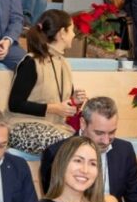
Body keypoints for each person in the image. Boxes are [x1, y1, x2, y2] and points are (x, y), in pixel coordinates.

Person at [6, 10, 86, 155]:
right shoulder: (31, 62)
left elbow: (63, 103)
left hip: (56, 127)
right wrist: (53, 108)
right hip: (22, 126)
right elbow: (15, 104)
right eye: (72, 30)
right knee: (67, 145)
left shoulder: (64, 64)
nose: (74, 35)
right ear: (62, 33)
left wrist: (75, 101)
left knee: (86, 144)